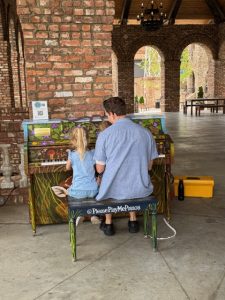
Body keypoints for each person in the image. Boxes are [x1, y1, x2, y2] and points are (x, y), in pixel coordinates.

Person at [94, 97, 158, 236]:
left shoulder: (104, 135)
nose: (107, 117)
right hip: (141, 189)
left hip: (113, 191)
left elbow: (100, 169)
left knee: (104, 178)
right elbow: (149, 166)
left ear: (112, 114)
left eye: (106, 114)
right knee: (132, 172)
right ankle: (133, 221)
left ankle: (108, 224)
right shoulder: (146, 132)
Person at [66, 126, 100, 225]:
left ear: (73, 140)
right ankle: (93, 215)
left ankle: (81, 214)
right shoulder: (93, 153)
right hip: (93, 190)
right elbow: (98, 167)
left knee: (71, 191)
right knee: (90, 193)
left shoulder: (71, 154)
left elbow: (67, 168)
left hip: (77, 191)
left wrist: (69, 155)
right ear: (88, 139)